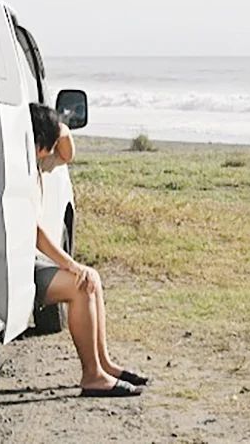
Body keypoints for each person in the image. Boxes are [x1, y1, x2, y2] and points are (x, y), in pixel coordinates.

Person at [30, 102, 148, 397]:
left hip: (25, 262)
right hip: (18, 268)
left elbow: (67, 153)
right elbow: (35, 234)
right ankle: (92, 376)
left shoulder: (35, 161)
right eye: (50, 141)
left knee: (91, 278)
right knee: (81, 284)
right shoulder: (19, 169)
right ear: (40, 142)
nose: (54, 148)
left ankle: (104, 364)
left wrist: (59, 127)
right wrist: (70, 264)